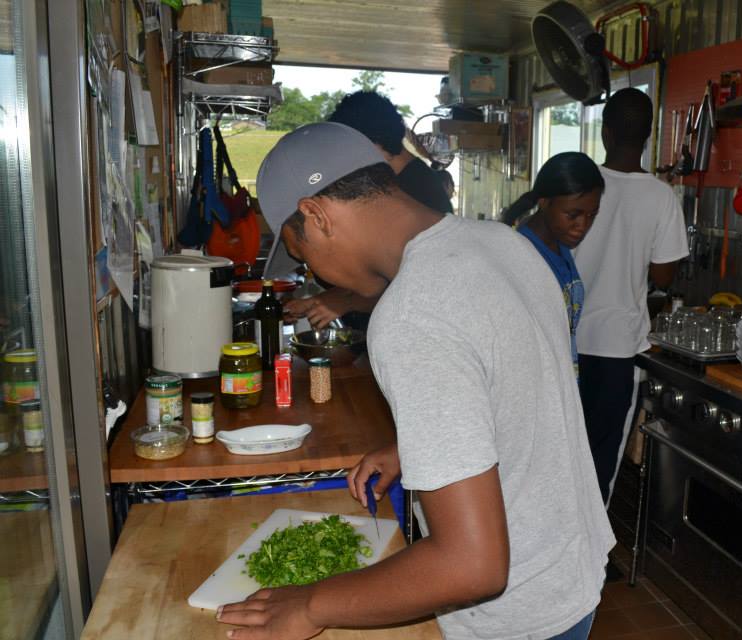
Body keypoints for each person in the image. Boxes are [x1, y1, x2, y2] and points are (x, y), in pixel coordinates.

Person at [218, 122, 615, 640]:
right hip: (571, 569)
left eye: (301, 253)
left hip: (518, 614)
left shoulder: (410, 315)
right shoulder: (502, 242)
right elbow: (518, 390)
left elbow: (471, 565)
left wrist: (310, 606)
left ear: (316, 214)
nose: (314, 273)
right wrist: (425, 445)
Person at [573, 88, 689, 505]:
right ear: (649, 135)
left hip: (562, 341)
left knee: (557, 452)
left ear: (605, 132)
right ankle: (590, 544)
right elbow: (663, 275)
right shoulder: (661, 196)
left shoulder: (579, 182)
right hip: (618, 350)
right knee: (600, 464)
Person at [273, 91, 454, 329]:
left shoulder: (417, 191)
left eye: (346, 149)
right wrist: (323, 300)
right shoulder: (394, 183)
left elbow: (417, 285)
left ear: (370, 143)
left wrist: (345, 302)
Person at [501, 152, 604, 369]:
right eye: (572, 215)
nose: (582, 226)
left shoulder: (559, 246)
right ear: (544, 202)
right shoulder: (524, 255)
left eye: (591, 215)